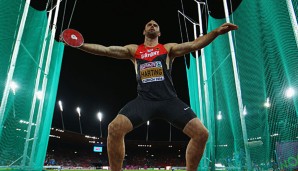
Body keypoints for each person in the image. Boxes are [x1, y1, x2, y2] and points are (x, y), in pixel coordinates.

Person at [64, 20, 238, 171]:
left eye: (155, 25)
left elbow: (193, 45)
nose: (152, 26)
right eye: (149, 24)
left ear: (159, 32)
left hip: (169, 101)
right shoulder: (134, 50)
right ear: (144, 31)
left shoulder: (167, 49)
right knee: (114, 128)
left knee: (202, 134)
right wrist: (80, 45)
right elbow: (107, 50)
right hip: (144, 101)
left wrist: (215, 32)